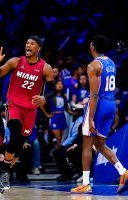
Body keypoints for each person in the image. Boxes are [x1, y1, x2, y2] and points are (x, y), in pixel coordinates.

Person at [0, 36, 55, 194]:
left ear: (38, 48)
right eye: (27, 43)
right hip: (14, 105)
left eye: (32, 43)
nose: (28, 45)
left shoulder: (45, 68)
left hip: (31, 110)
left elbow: (53, 89)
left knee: (19, 144)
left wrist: (44, 97)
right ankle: (5, 172)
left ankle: (3, 171)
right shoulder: (15, 61)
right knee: (14, 134)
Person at [71, 35, 128, 194]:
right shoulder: (111, 63)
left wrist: (90, 118)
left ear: (93, 47)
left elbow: (95, 94)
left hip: (99, 105)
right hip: (110, 104)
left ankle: (85, 183)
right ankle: (123, 171)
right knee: (100, 144)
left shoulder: (93, 65)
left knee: (87, 144)